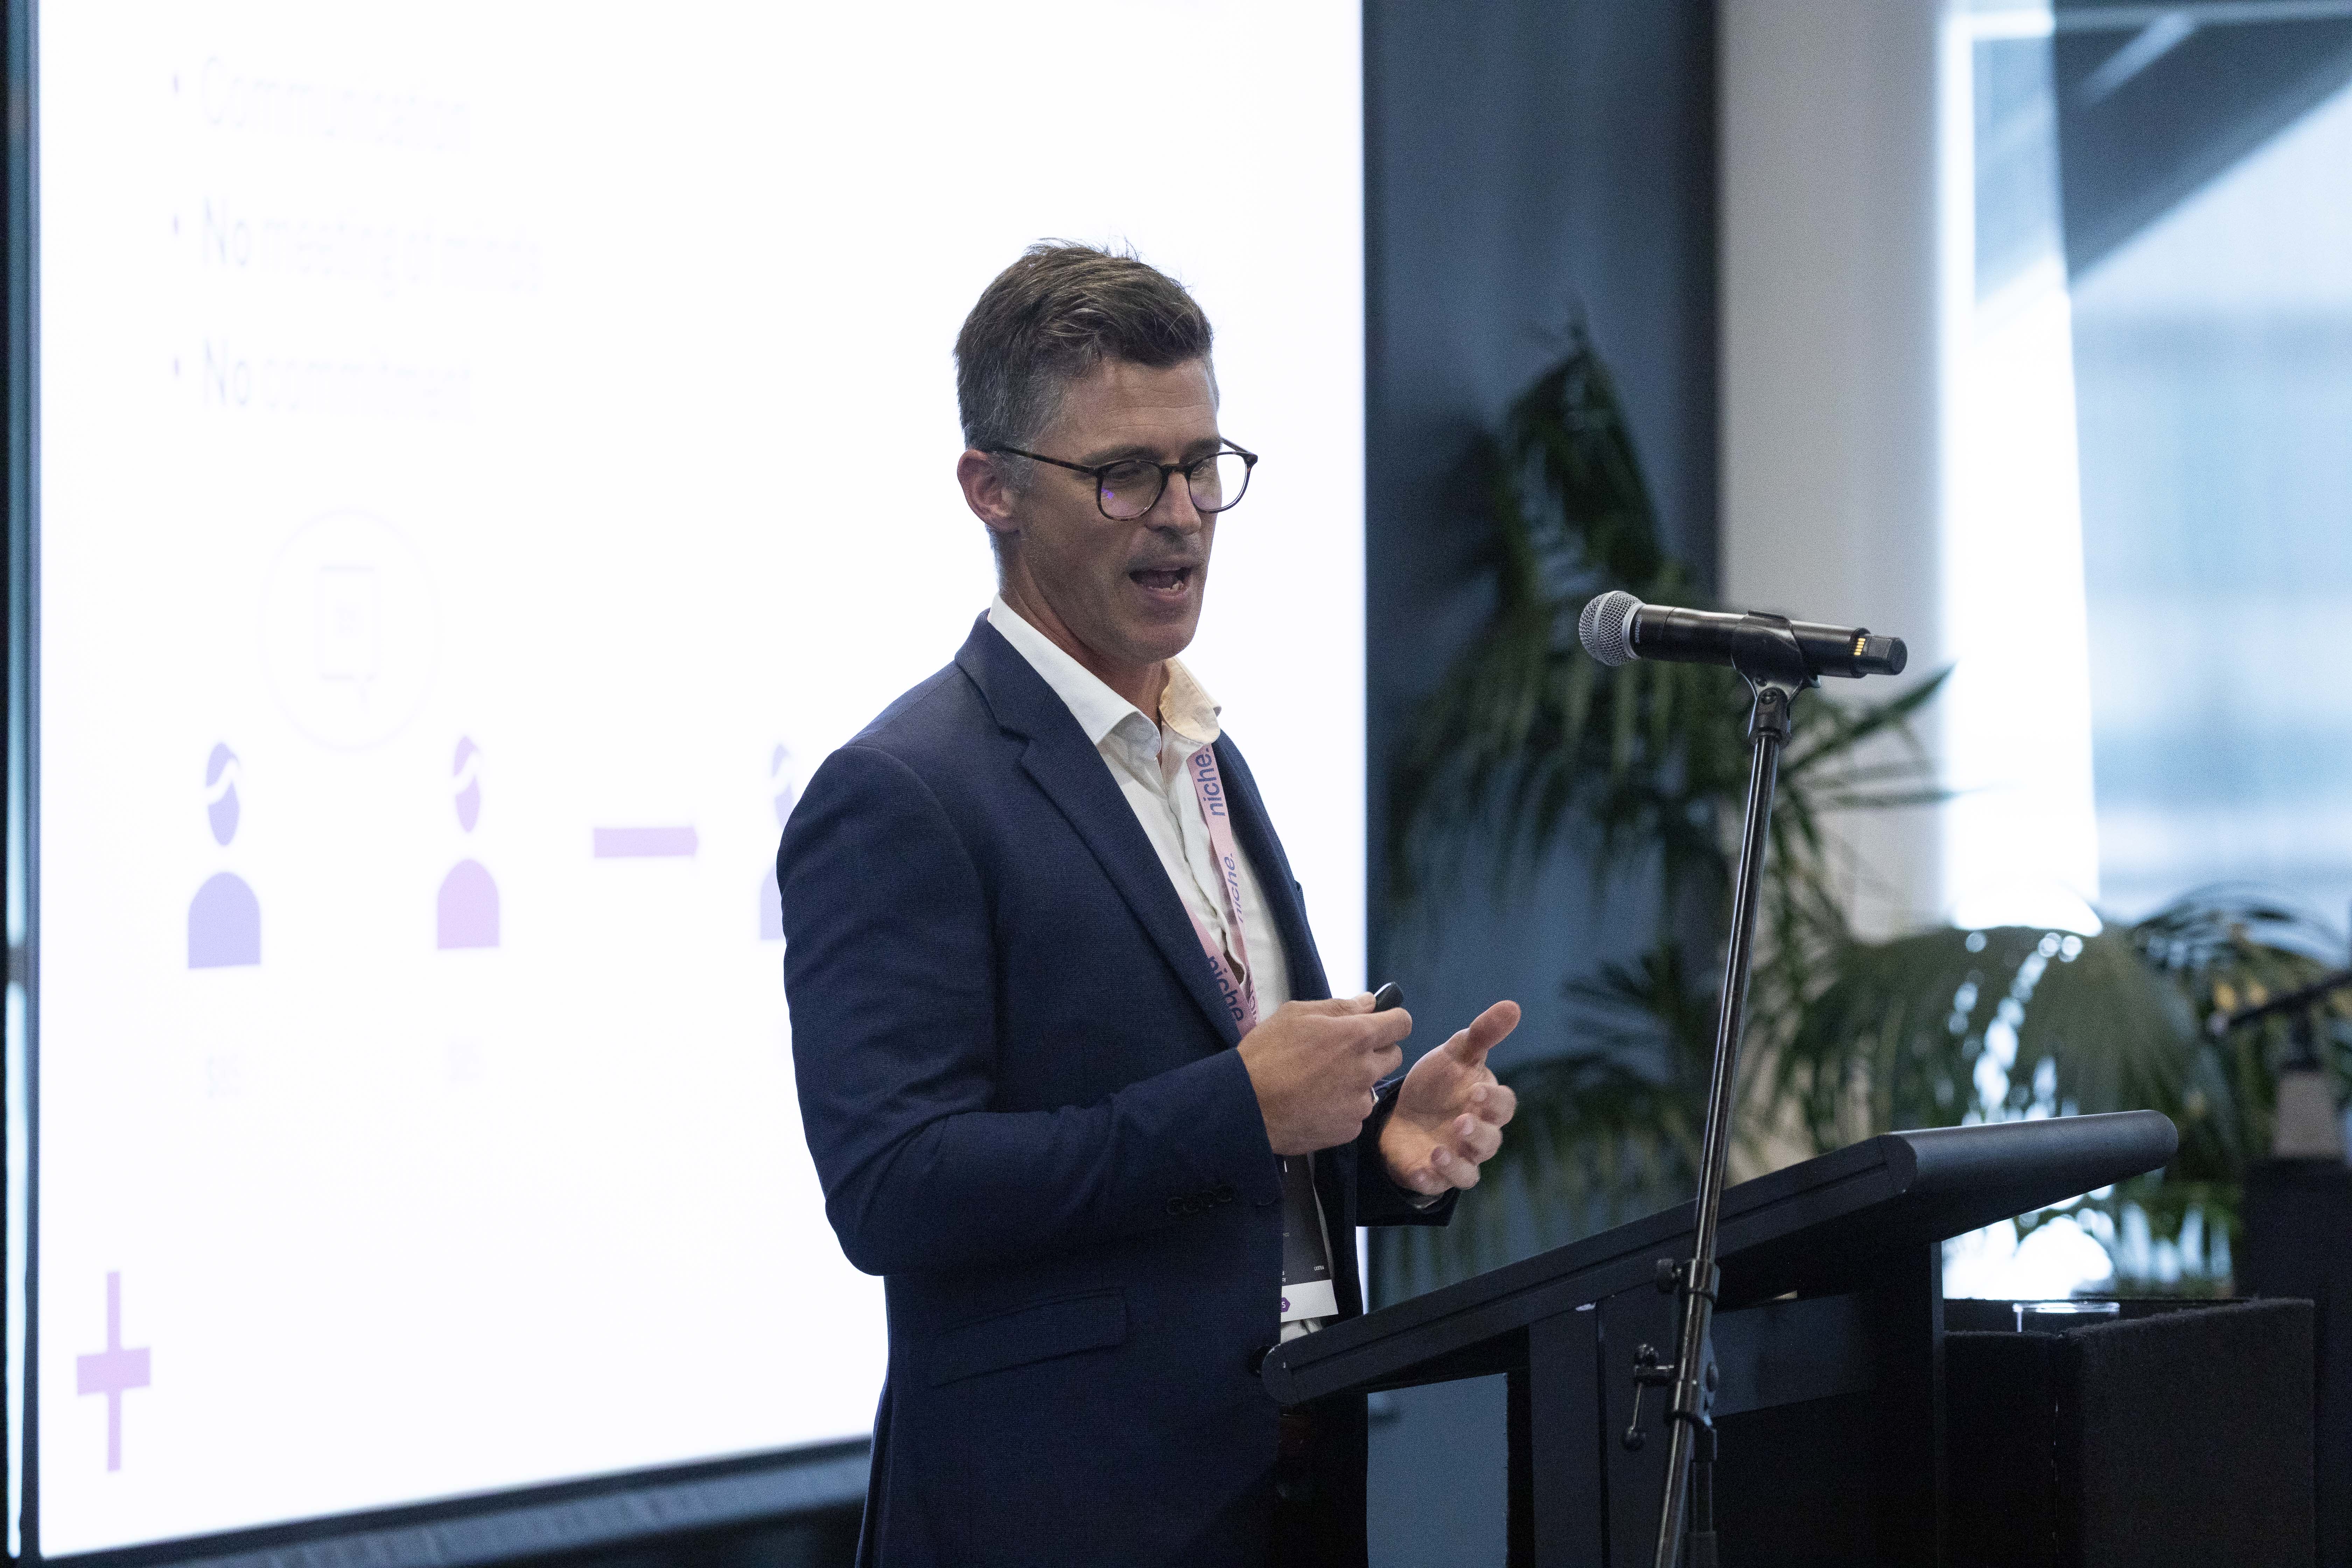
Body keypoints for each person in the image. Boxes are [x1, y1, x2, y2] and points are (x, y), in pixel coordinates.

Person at [779, 242, 1520, 1568]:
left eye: (1203, 465)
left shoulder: (1202, 752)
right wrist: (1242, 1106)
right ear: (992, 489)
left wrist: (1369, 1149)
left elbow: (1204, 1138)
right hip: (1062, 1518)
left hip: (1284, 1481)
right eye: (1125, 474)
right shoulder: (903, 792)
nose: (1181, 515)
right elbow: (894, 1188)